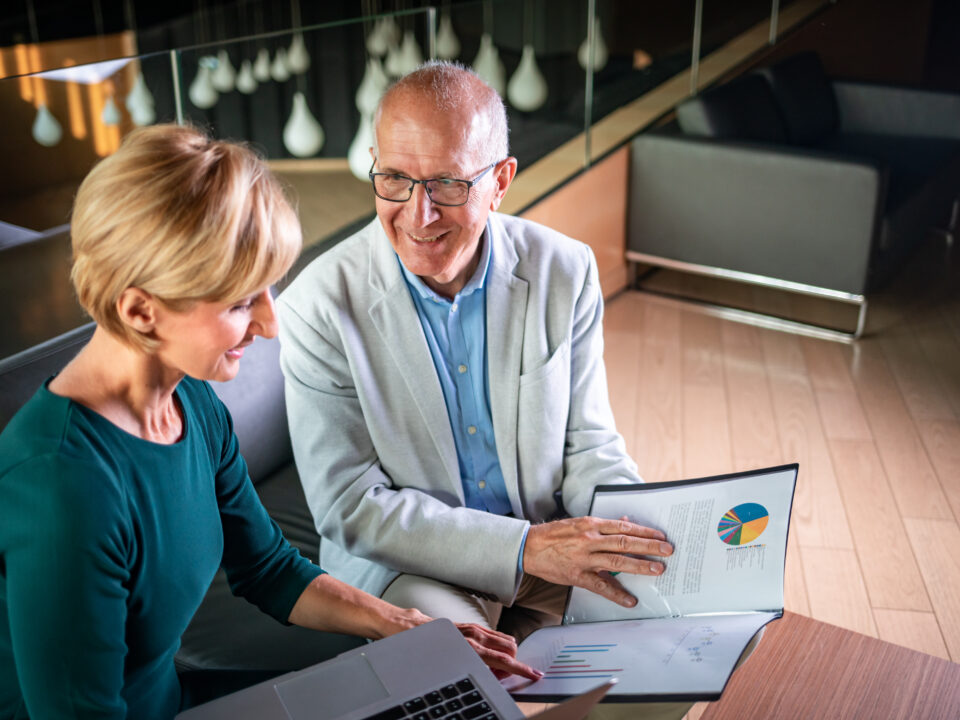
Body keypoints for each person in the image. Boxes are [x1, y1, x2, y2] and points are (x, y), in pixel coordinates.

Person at [0, 124, 539, 720]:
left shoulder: (192, 405)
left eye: (268, 290)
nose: (269, 324)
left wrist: (410, 627)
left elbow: (268, 569)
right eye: (238, 302)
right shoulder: (61, 486)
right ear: (140, 311)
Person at [278, 62, 676, 641]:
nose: (419, 215)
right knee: (461, 678)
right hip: (413, 569)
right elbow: (352, 507)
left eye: (448, 184)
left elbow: (589, 446)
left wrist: (637, 533)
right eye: (394, 179)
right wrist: (524, 548)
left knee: (680, 631)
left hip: (546, 540)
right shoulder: (317, 304)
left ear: (501, 181)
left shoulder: (565, 270)